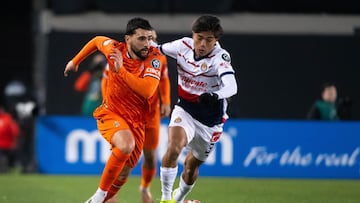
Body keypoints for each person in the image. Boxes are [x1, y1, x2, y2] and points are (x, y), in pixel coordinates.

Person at [64, 17, 163, 203]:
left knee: (126, 168)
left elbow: (147, 89)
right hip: (111, 113)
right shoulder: (115, 49)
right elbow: (96, 41)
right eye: (142, 38)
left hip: (137, 121)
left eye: (149, 38)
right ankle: (98, 197)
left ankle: (102, 199)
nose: (148, 44)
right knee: (125, 144)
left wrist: (120, 71)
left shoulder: (154, 58)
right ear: (128, 39)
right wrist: (75, 61)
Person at [153, 15, 238, 203]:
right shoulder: (182, 46)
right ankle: (166, 199)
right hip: (185, 110)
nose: (202, 44)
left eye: (209, 40)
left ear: (216, 40)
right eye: (199, 37)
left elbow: (232, 86)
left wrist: (216, 95)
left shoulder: (220, 57)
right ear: (193, 35)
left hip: (210, 121)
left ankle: (178, 197)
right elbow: (155, 49)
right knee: (174, 148)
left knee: (191, 167)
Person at [103, 30, 172, 203]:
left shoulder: (158, 59)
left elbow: (164, 80)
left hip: (151, 115)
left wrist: (166, 102)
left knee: (150, 156)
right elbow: (106, 80)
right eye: (146, 39)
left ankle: (145, 187)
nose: (149, 44)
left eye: (153, 40)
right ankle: (111, 193)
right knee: (123, 153)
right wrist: (109, 103)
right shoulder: (121, 57)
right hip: (127, 113)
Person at [0, 105, 20, 172]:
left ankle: (6, 168)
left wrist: (14, 140)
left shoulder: (7, 118)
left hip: (7, 143)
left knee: (7, 158)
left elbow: (14, 130)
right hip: (2, 143)